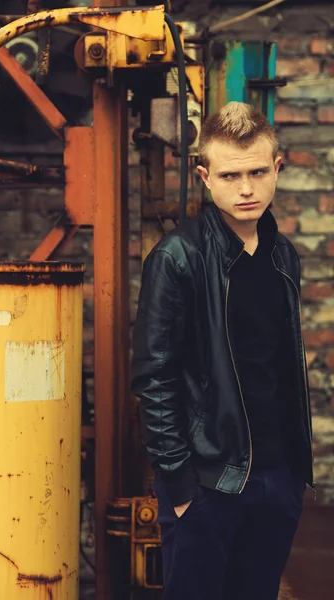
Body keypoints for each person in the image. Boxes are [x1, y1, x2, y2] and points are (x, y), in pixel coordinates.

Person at [131, 102, 314, 600]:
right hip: (210, 483)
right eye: (231, 175)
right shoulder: (178, 258)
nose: (247, 188)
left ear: (277, 168)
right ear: (205, 177)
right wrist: (181, 488)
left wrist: (294, 475)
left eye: (258, 171)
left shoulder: (282, 255)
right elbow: (154, 376)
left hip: (278, 478)